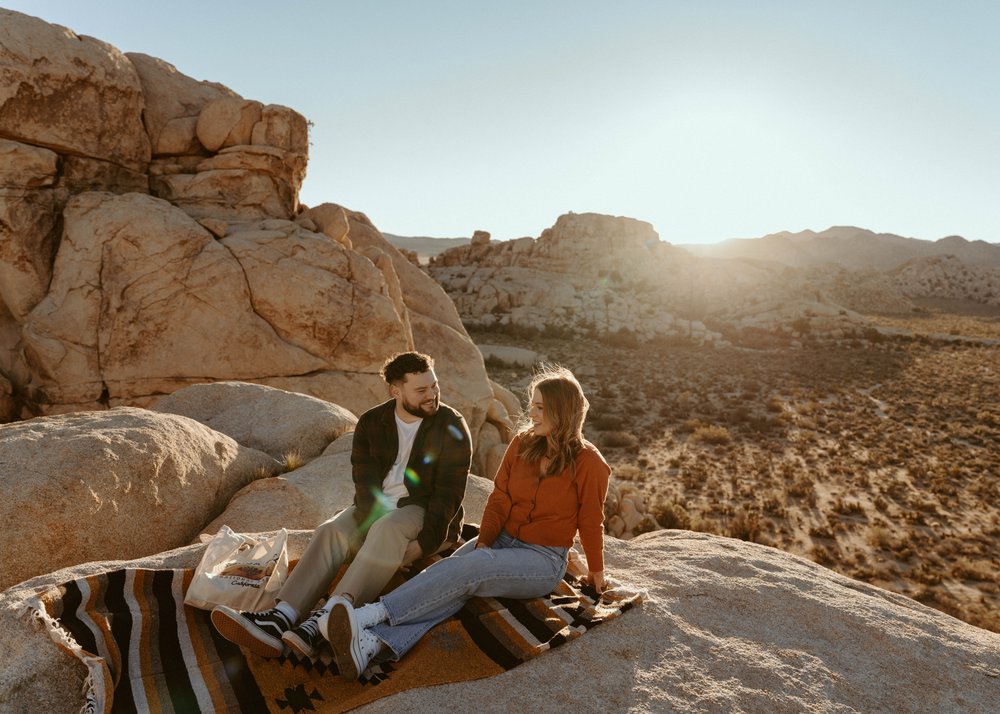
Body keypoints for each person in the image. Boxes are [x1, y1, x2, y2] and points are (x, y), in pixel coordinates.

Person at [320, 365, 611, 680]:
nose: (532, 412)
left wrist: (596, 571)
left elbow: (591, 520)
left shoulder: (590, 463)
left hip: (543, 559)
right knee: (447, 581)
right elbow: (499, 498)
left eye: (540, 407)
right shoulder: (522, 444)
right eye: (533, 404)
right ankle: (373, 645)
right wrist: (485, 539)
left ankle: (366, 616)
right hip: (501, 538)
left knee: (469, 568)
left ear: (562, 411)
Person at [211, 351, 472, 658]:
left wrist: (425, 544)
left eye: (434, 386)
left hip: (422, 508)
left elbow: (449, 493)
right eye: (422, 390)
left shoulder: (450, 426)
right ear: (395, 391)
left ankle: (328, 618)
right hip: (374, 507)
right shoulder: (372, 422)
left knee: (387, 529)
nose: (432, 396)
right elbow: (365, 484)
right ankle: (282, 617)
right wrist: (361, 532)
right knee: (331, 530)